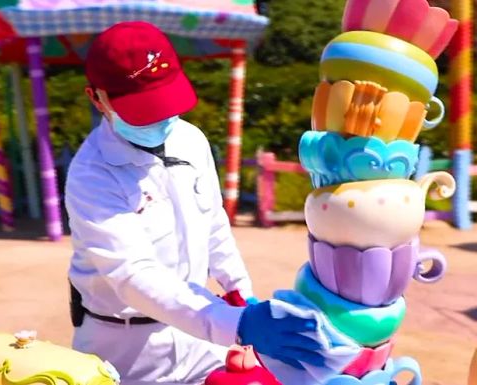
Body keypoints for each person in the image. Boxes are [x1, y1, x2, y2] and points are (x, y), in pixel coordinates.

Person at [65, 21, 322, 385]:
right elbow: (132, 274)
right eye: (143, 109)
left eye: (163, 102)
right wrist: (233, 323)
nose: (159, 119)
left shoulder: (190, 140)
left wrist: (240, 296)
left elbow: (213, 224)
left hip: (201, 339)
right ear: (96, 98)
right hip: (127, 349)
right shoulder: (92, 173)